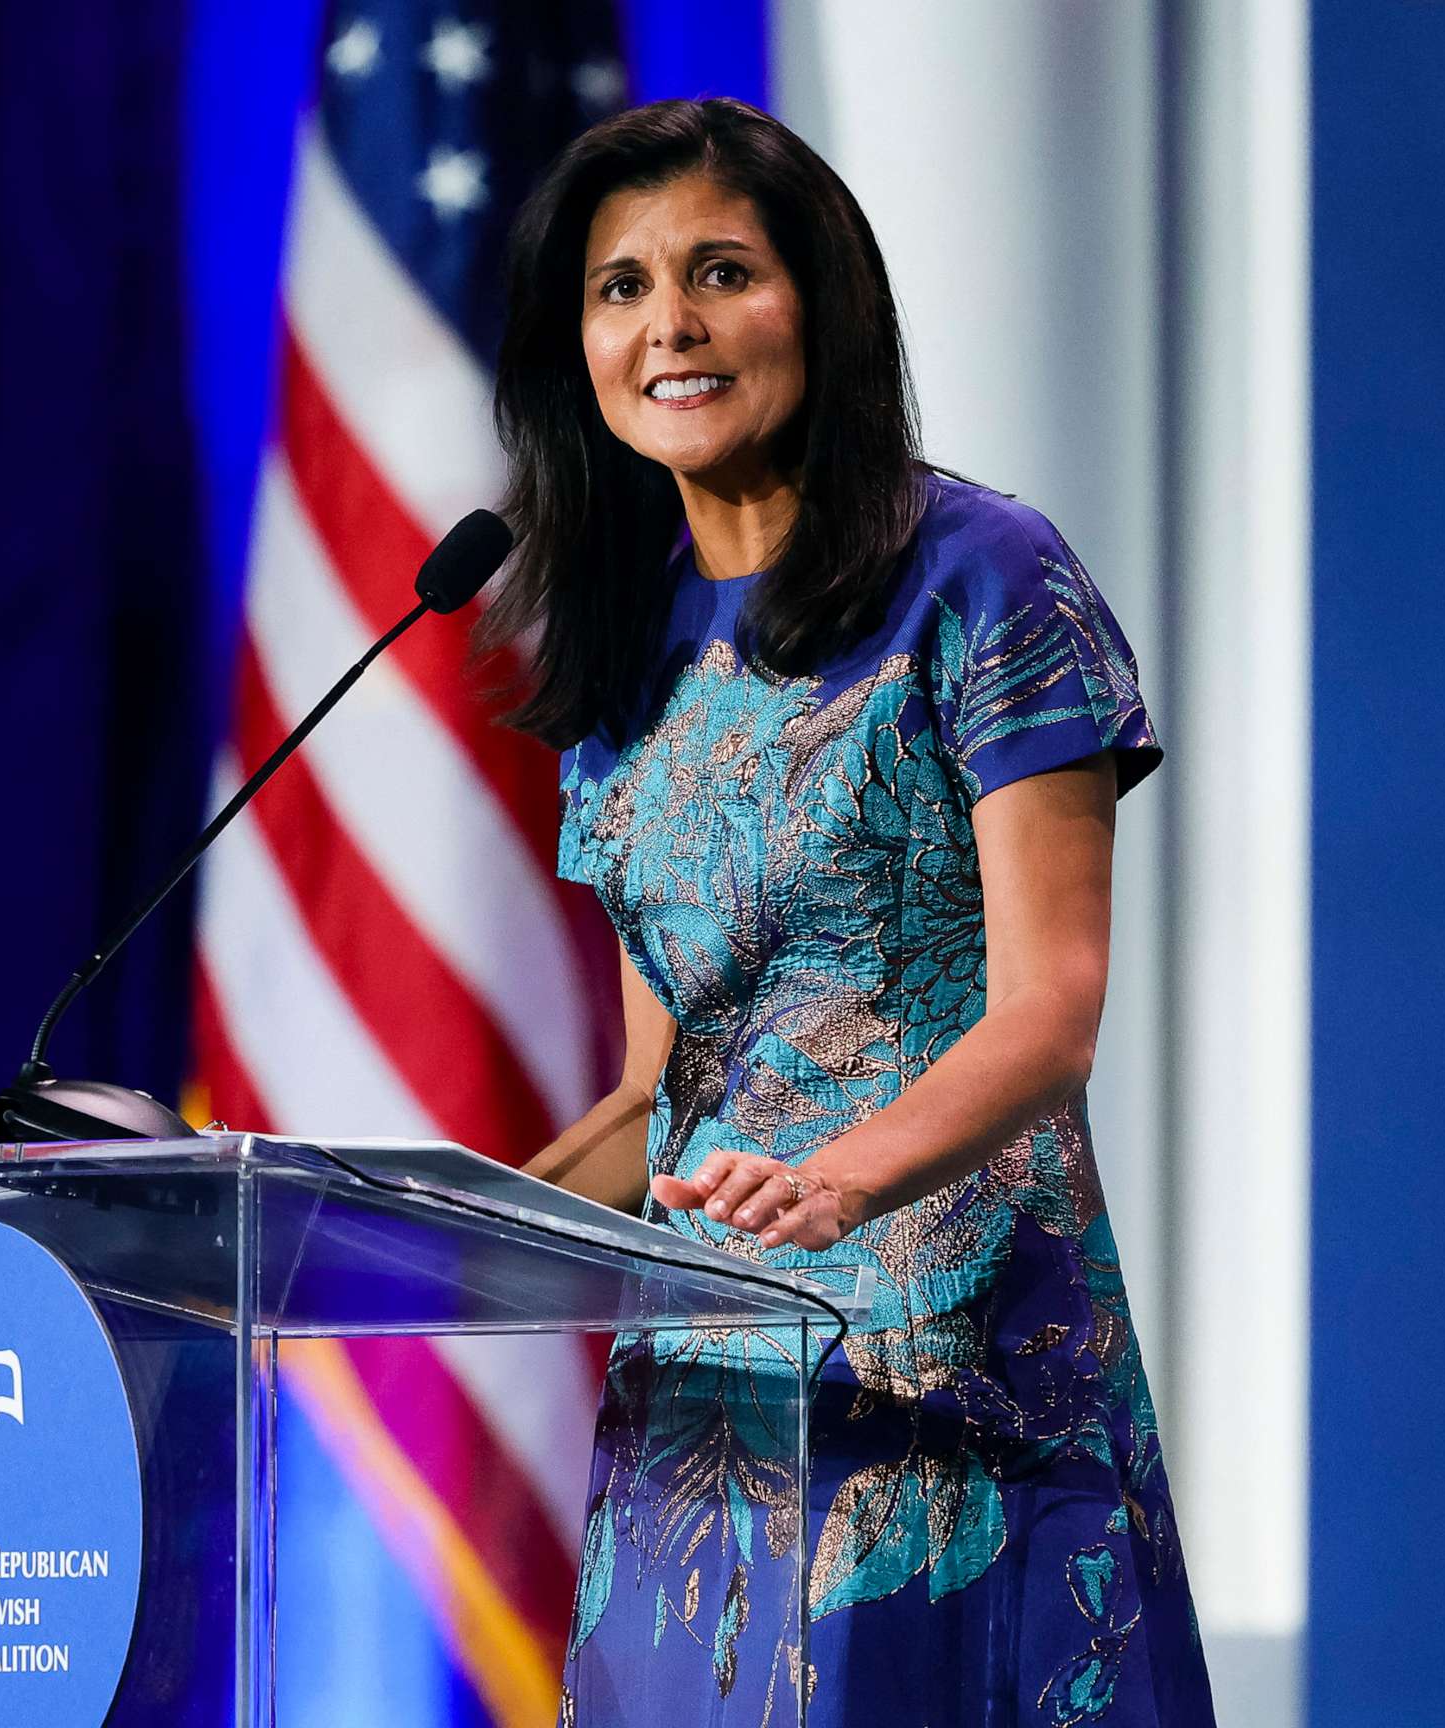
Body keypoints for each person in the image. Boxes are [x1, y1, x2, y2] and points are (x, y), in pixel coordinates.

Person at [485, 99, 1217, 1725]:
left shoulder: (984, 576)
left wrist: (834, 1182)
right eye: (619, 288)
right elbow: (659, 1097)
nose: (666, 324)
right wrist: (440, 1232)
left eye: (719, 272)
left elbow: (1050, 1010)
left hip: (958, 1396)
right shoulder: (622, 657)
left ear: (821, 300)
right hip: (705, 1428)